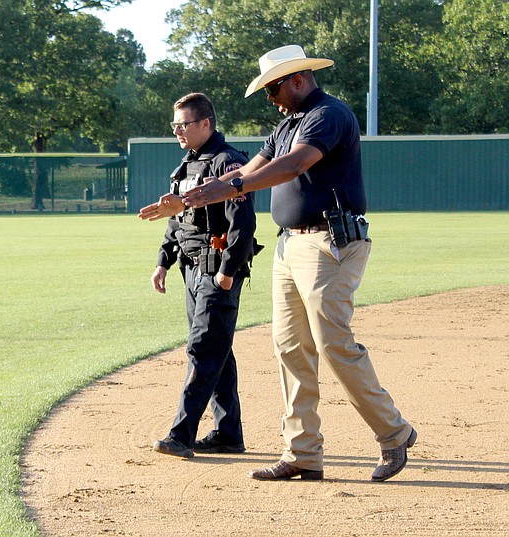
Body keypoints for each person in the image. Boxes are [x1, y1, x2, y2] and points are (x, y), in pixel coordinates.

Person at [139, 46, 416, 482]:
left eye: (273, 88)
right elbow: (247, 170)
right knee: (289, 348)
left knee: (333, 344)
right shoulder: (285, 124)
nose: (271, 98)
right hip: (290, 247)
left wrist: (230, 187)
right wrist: (189, 197)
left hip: (330, 243)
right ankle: (303, 452)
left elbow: (295, 164)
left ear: (299, 79)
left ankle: (394, 432)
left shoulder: (330, 114)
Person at [149, 92, 260, 459]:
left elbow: (243, 223)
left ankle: (181, 434)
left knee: (204, 350)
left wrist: (228, 272)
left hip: (217, 272)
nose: (177, 131)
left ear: (206, 124)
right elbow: (178, 219)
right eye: (174, 125)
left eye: (183, 124)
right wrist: (164, 260)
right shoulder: (187, 165)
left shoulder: (230, 164)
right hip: (191, 270)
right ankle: (228, 434)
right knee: (218, 353)